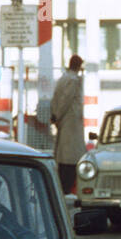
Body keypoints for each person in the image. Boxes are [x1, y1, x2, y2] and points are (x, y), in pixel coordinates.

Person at [50, 54, 85, 193]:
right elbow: (66, 99)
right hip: (70, 121)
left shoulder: (63, 78)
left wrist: (55, 115)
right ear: (78, 66)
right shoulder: (73, 80)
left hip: (63, 122)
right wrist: (58, 115)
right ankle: (67, 187)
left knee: (64, 154)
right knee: (71, 155)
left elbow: (56, 98)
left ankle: (64, 185)